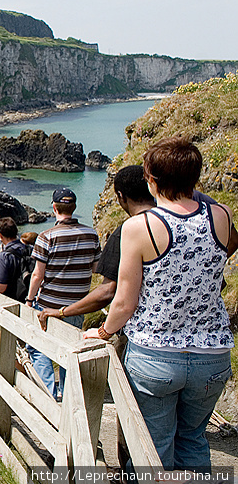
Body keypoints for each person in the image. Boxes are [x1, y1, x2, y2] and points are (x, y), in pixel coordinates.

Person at [84, 137, 233, 473]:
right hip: (212, 356)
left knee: (151, 447)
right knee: (193, 438)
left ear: (151, 179)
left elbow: (123, 301)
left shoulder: (139, 228)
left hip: (156, 356)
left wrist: (104, 331)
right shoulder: (221, 216)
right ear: (196, 178)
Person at [38, 165, 155, 330]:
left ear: (121, 196)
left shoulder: (127, 232)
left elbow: (107, 292)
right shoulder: (176, 221)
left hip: (147, 335)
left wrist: (62, 312)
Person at [26, 186, 101, 399]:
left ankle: (51, 394)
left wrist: (30, 299)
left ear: (54, 208)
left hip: (48, 304)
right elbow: (96, 268)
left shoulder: (46, 236)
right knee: (71, 351)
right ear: (74, 207)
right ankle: (69, 396)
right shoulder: (91, 234)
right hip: (78, 305)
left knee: (38, 348)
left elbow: (37, 275)